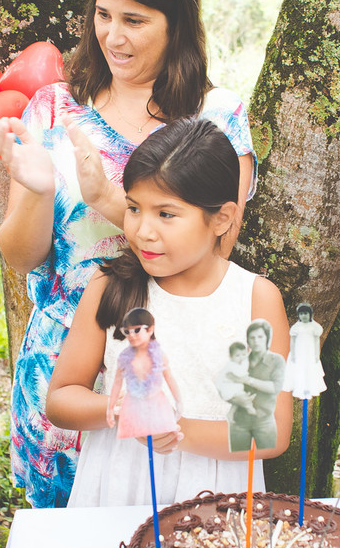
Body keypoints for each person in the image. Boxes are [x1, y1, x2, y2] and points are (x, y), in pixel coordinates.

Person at [0, 0, 256, 509]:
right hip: (65, 371)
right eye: (103, 15)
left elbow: (219, 251)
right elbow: (21, 256)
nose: (113, 36)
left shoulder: (218, 116)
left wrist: (110, 200)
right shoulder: (54, 110)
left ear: (176, 22)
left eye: (134, 20)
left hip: (167, 368)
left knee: (162, 546)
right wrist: (36, 191)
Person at [45, 117, 291, 507]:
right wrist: (118, 408)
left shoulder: (255, 298)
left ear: (222, 218)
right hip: (118, 483)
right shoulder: (109, 287)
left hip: (216, 493)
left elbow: (272, 430)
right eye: (134, 208)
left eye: (166, 214)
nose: (143, 230)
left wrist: (176, 429)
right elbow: (60, 399)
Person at [105, 307, 182, 438]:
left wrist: (179, 402)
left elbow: (169, 378)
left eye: (136, 330)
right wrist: (110, 408)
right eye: (127, 332)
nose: (132, 335)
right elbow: (117, 383)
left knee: (161, 438)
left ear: (150, 329)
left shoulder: (158, 355)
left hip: (156, 402)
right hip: (132, 404)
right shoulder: (124, 358)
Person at [228, 319, 284, 452]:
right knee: (238, 462)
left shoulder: (276, 360)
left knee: (267, 460)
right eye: (252, 337)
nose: (256, 341)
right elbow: (229, 387)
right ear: (247, 340)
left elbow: (275, 388)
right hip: (239, 421)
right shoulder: (240, 360)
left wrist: (248, 380)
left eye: (260, 337)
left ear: (267, 338)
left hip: (264, 421)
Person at [283, 302, 326, 401]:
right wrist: (293, 354)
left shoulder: (314, 327)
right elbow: (292, 342)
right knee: (300, 370)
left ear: (310, 314)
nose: (304, 316)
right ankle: (300, 389)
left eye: (306, 313)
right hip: (299, 353)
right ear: (298, 315)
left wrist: (316, 355)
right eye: (301, 314)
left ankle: (308, 389)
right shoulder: (296, 327)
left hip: (310, 353)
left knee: (309, 370)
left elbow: (316, 342)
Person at [214, 341, 256, 418]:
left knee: (236, 402)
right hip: (227, 388)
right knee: (242, 396)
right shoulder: (232, 365)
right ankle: (250, 408)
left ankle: (230, 414)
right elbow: (242, 374)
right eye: (237, 356)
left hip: (232, 387)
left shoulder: (237, 364)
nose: (241, 358)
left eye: (244, 355)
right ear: (231, 357)